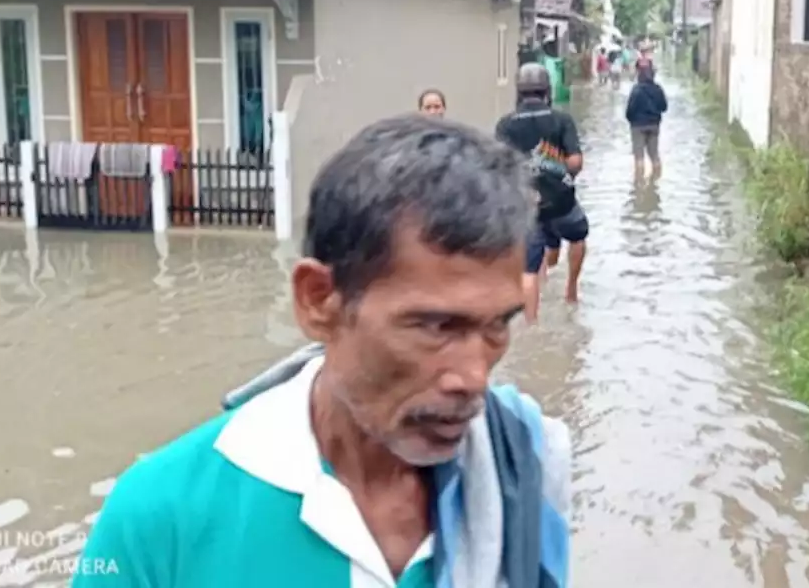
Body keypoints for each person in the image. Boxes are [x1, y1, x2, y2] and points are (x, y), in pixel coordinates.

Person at [73, 115, 571, 588]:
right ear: (319, 301)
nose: (474, 377)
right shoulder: (161, 518)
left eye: (497, 326)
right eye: (437, 327)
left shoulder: (524, 473)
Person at [495, 63, 588, 321]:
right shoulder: (562, 120)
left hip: (525, 204)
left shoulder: (505, 125)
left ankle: (531, 324)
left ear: (519, 92)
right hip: (561, 201)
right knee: (578, 236)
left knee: (528, 270)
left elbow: (499, 166)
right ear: (547, 90)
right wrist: (563, 176)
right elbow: (575, 161)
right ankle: (570, 291)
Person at [625, 62, 668, 178]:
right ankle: (656, 182)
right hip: (654, 125)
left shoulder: (636, 90)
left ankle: (638, 185)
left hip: (638, 126)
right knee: (655, 156)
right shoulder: (658, 89)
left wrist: (631, 120)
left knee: (639, 157)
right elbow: (664, 107)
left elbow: (629, 110)